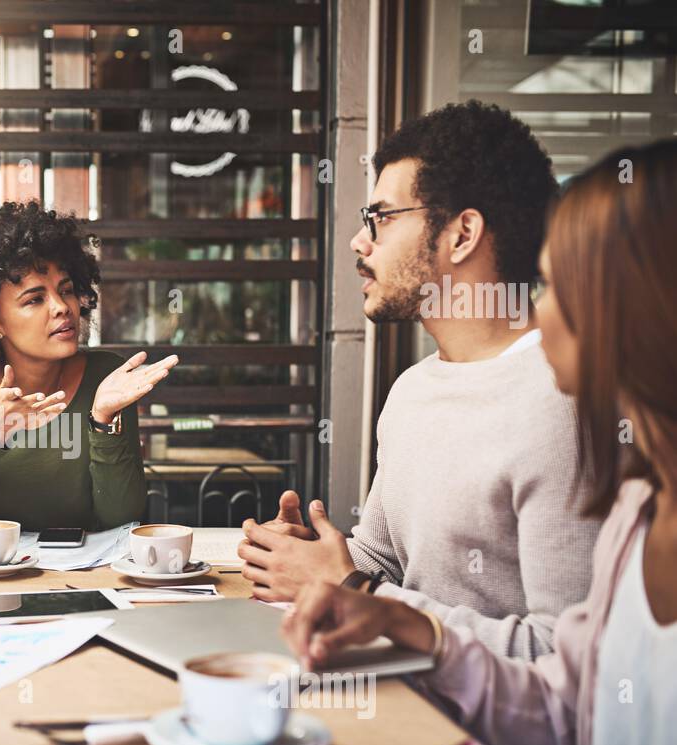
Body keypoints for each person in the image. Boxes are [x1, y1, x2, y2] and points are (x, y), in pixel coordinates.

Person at [282, 139, 677, 745]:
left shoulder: (557, 413)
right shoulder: (637, 520)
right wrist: (378, 601)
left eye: (559, 287)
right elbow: (567, 709)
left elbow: (555, 697)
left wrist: (372, 593)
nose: (538, 317)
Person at [239, 101, 600, 660]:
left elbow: (562, 657)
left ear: (462, 234)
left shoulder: (562, 402)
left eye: (380, 218)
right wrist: (312, 557)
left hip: (487, 738)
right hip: (401, 691)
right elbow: (382, 562)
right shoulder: (413, 389)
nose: (360, 244)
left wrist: (352, 589)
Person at [0, 201, 177, 533]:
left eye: (65, 290)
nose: (62, 307)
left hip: (81, 576)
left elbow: (120, 519)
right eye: (34, 299)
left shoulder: (107, 377)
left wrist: (104, 420)